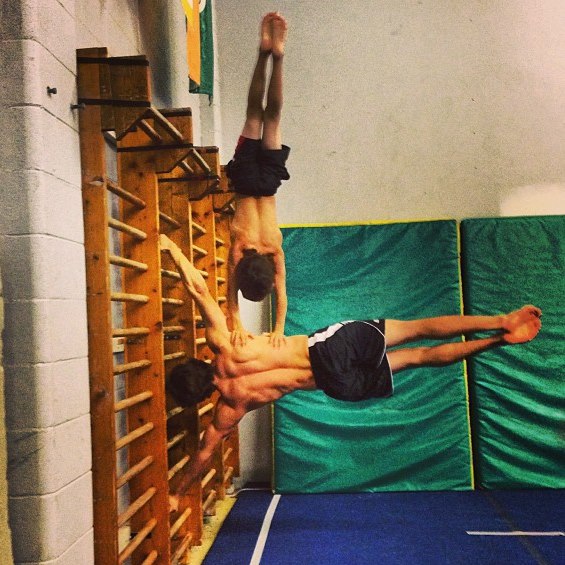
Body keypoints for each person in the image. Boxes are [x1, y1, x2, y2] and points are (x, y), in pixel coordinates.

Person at [160, 234, 542, 508]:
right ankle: (500, 322)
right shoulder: (226, 343)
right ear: (196, 362)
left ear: (200, 397)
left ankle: (497, 343)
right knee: (418, 329)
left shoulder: (230, 407)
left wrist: (177, 491)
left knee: (419, 357)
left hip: (336, 383)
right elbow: (199, 290)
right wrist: (173, 250)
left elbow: (204, 453)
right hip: (330, 348)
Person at [226, 12, 290, 348]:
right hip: (245, 179)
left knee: (273, 117)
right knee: (255, 111)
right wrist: (236, 322)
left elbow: (282, 293)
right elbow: (230, 292)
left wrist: (279, 329)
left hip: (268, 183)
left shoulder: (275, 250)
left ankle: (277, 58)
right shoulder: (239, 249)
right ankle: (264, 53)